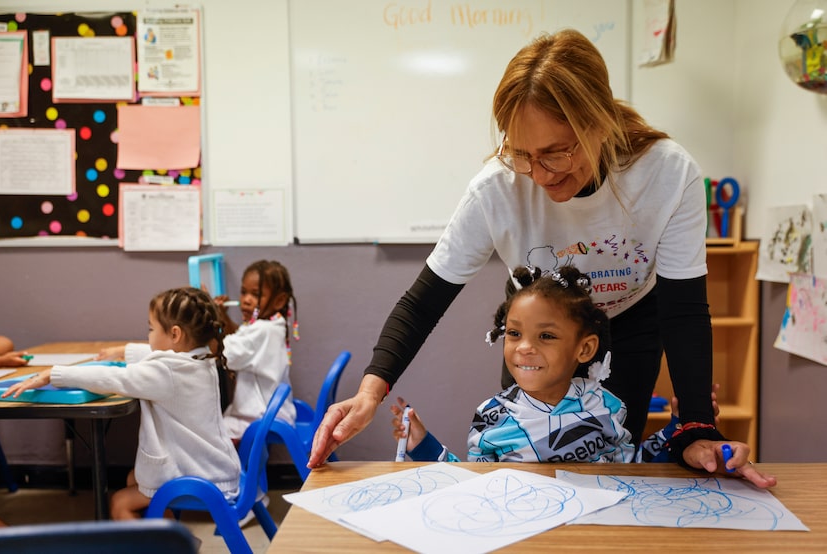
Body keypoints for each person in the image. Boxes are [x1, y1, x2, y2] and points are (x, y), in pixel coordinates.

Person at [310, 29, 774, 488]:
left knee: (612, 472)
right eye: (520, 153)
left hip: (629, 324)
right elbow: (423, 302)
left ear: (600, 121)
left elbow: (684, 309)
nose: (536, 174)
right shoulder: (497, 187)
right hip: (540, 330)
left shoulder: (667, 175)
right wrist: (370, 392)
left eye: (554, 153)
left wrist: (696, 426)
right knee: (521, 459)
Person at [389, 267, 773, 490]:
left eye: (547, 336)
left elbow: (634, 464)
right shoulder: (492, 416)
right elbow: (470, 484)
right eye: (514, 333)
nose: (524, 348)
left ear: (584, 349)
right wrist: (422, 444)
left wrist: (679, 431)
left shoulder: (606, 406)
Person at [2, 287, 242, 519]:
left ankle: (169, 543)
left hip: (198, 474)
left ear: (175, 334)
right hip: (212, 467)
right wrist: (121, 350)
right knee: (132, 479)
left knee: (120, 504)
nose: (148, 336)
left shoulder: (167, 372)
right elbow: (160, 357)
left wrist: (53, 374)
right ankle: (174, 542)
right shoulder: (201, 358)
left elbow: (114, 378)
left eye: (150, 329)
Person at [214, 259, 298, 444]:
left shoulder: (262, 330)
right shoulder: (273, 324)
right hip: (275, 411)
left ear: (279, 301)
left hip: (259, 417)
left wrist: (207, 325)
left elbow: (229, 355)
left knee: (211, 439)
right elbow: (242, 338)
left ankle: (231, 472)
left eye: (256, 294)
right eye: (244, 292)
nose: (246, 299)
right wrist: (224, 317)